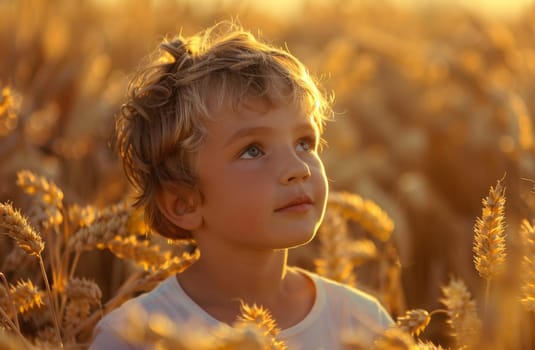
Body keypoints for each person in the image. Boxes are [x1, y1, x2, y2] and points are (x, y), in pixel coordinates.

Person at [90, 21, 394, 349]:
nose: (297, 168)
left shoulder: (363, 323)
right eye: (253, 150)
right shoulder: (134, 336)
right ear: (184, 203)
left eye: (304, 143)